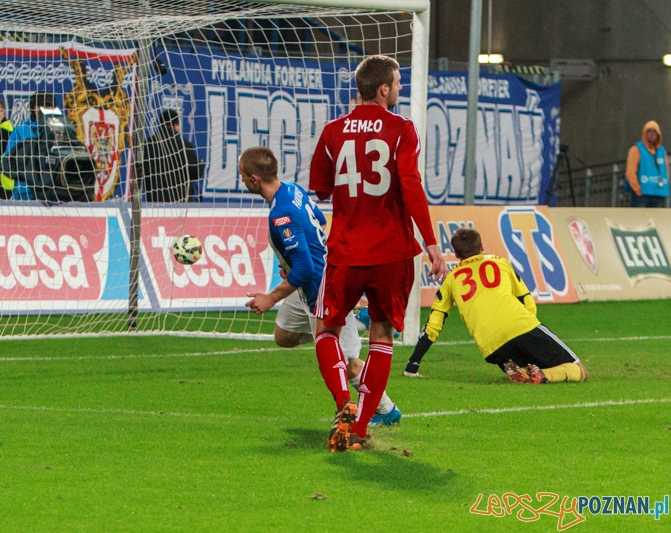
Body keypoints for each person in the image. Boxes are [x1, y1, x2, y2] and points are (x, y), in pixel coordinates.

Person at [309, 55, 447, 452]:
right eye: (398, 83)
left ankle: (342, 402)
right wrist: (432, 244)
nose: (400, 89)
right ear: (383, 88)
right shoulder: (402, 129)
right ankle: (363, 428)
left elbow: (319, 187)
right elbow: (410, 183)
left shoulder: (333, 131)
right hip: (393, 251)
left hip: (346, 250)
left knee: (326, 330)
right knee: (382, 335)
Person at [239, 147, 401, 427]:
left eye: (242, 176)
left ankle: (386, 410)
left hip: (322, 288)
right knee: (283, 336)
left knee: (348, 361)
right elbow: (320, 221)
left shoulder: (281, 213)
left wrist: (270, 298)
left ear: (254, 178)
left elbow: (305, 268)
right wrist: (293, 259)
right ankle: (356, 322)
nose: (241, 181)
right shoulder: (293, 190)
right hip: (304, 287)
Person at [404, 228, 588, 385]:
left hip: (491, 346)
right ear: (482, 247)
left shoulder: (450, 280)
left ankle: (526, 372)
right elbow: (527, 302)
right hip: (522, 327)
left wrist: (413, 364)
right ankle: (545, 375)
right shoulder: (501, 263)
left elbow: (433, 325)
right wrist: (528, 329)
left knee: (525, 367)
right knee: (579, 370)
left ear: (457, 255)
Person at [2, 91, 56, 200]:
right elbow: (8, 162)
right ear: (33, 107)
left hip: (55, 193)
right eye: (40, 105)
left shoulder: (61, 131)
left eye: (48, 106)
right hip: (26, 194)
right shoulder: (20, 131)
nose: (44, 109)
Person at [142, 109, 202, 202]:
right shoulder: (183, 145)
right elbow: (196, 171)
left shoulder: (147, 145)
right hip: (179, 202)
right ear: (176, 125)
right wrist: (201, 164)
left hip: (154, 203)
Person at [625, 120, 670, 208]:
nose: (652, 134)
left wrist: (665, 189)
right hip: (642, 195)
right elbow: (630, 172)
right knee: (639, 220)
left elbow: (666, 171)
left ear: (658, 134)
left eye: (654, 131)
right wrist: (638, 190)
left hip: (658, 193)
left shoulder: (662, 151)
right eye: (649, 131)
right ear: (644, 133)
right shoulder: (636, 149)